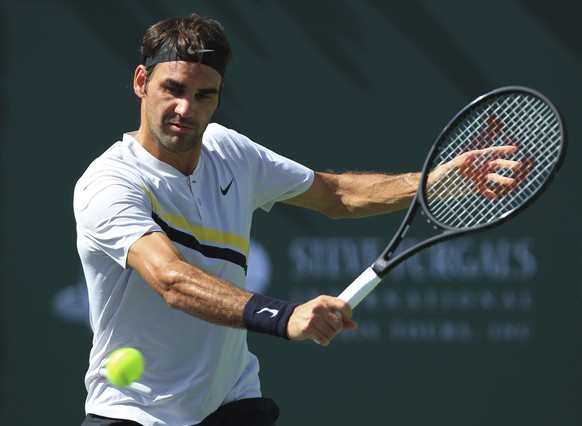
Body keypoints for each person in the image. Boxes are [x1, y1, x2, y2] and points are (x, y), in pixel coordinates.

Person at [74, 13, 519, 426]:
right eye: (173, 88)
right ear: (141, 82)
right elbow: (171, 279)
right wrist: (284, 317)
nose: (186, 109)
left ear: (218, 98)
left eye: (203, 94)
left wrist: (436, 182)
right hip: (135, 411)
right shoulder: (110, 182)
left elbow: (336, 194)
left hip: (230, 401)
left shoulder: (231, 152)